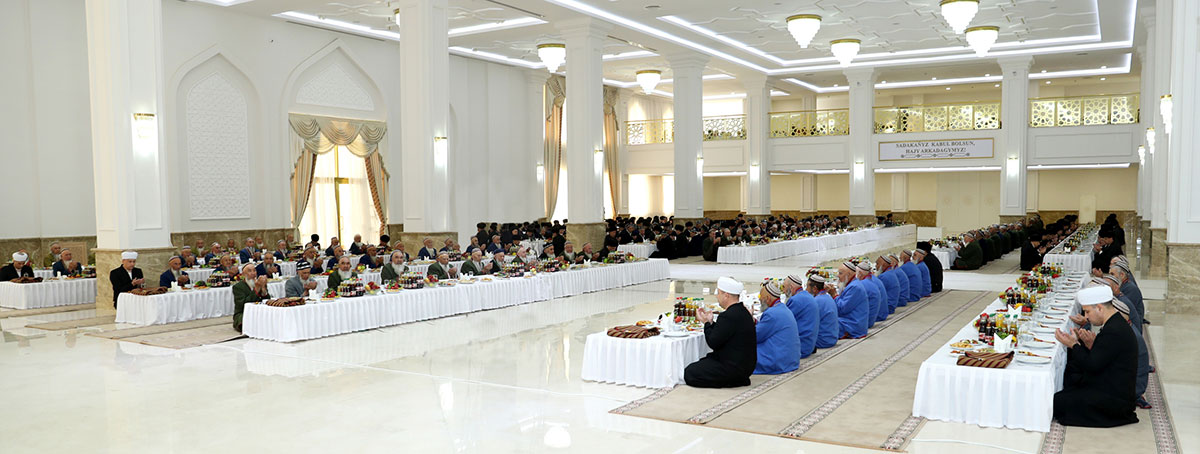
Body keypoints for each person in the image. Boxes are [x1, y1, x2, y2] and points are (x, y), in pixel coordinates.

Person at [1052, 286, 1139, 428]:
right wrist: (1085, 344)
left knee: (1059, 401)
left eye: (1087, 311)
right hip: (1110, 386)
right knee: (1070, 384)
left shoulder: (1114, 330)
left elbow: (1092, 365)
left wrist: (1073, 345)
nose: (1086, 317)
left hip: (1115, 400)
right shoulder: (1115, 323)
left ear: (1099, 308)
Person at [683, 277, 757, 388]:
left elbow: (713, 342)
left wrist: (706, 323)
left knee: (690, 373)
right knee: (703, 362)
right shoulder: (743, 311)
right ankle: (737, 379)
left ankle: (733, 381)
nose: (717, 296)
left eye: (718, 293)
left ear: (726, 295)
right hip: (746, 366)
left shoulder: (728, 316)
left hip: (732, 367)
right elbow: (723, 333)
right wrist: (710, 322)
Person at [753, 282, 800, 375]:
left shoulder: (771, 314)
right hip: (791, 360)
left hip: (778, 361)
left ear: (767, 298)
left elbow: (755, 336)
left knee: (740, 351)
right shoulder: (783, 308)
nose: (759, 300)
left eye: (761, 297)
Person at [782, 274, 820, 358]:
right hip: (810, 343)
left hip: (801, 346)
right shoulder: (807, 295)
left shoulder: (795, 300)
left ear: (791, 287)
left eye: (784, 287)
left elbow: (783, 322)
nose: (783, 291)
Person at [834, 262, 870, 339]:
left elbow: (842, 309)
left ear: (849, 274)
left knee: (826, 324)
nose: (838, 276)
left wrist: (834, 295)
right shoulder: (852, 284)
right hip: (849, 320)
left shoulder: (855, 287)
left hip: (853, 324)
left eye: (840, 273)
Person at [232, 263, 269, 333]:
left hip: (260, 311)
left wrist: (263, 289)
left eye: (254, 270)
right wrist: (256, 290)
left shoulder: (260, 283)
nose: (253, 273)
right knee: (247, 321)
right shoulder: (238, 287)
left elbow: (267, 300)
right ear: (243, 274)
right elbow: (243, 304)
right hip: (243, 312)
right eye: (249, 271)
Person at [856, 262, 882, 329]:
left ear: (860, 274)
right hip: (871, 319)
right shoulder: (871, 281)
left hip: (866, 322)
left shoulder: (862, 284)